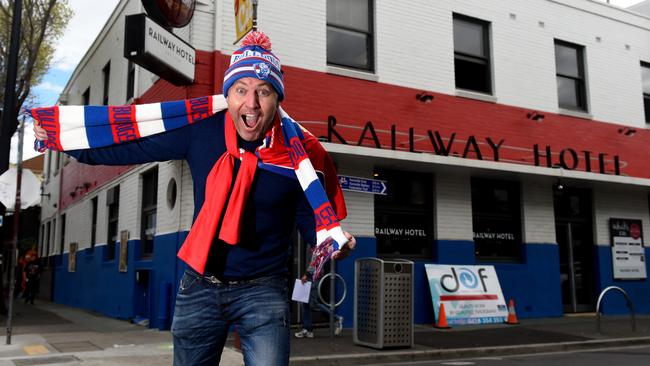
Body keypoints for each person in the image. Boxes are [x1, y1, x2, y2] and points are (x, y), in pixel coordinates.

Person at [34, 31, 356, 366]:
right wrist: (66, 141)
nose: (252, 103)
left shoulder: (298, 158)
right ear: (228, 94)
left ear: (277, 99)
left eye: (264, 92)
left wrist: (335, 245)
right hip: (199, 287)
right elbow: (133, 141)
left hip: (262, 291)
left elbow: (313, 223)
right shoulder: (202, 130)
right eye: (241, 90)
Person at [294, 250, 344, 338]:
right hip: (311, 275)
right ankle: (307, 329)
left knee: (313, 303)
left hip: (314, 276)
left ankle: (336, 318)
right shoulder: (312, 243)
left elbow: (316, 260)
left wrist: (306, 274)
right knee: (305, 303)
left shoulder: (316, 242)